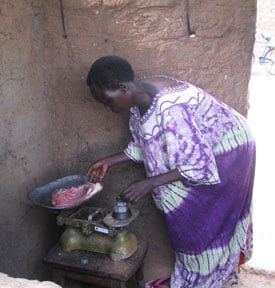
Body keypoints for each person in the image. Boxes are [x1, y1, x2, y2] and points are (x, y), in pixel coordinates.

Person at [86, 55, 256, 288]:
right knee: (185, 207)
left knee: (207, 221)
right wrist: (109, 161)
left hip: (228, 151)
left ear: (121, 87)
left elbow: (200, 165)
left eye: (106, 101)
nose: (107, 108)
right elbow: (148, 143)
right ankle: (196, 272)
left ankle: (203, 276)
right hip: (207, 151)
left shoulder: (171, 108)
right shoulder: (140, 95)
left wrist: (149, 183)